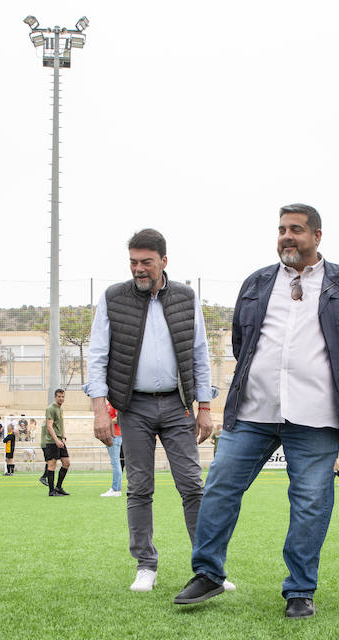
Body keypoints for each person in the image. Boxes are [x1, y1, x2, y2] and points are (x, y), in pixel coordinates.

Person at [175, 204, 339, 618]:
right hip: (254, 409)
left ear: (317, 236)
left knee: (309, 501)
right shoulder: (257, 283)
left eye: (297, 230)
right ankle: (208, 572)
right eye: (282, 229)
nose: (287, 236)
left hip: (316, 415)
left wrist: (331, 377)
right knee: (220, 486)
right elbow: (240, 341)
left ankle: (300, 589)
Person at [87, 228, 215, 590]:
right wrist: (100, 409)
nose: (139, 269)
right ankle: (146, 564)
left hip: (178, 407)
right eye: (133, 262)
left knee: (192, 486)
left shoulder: (187, 298)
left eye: (146, 262)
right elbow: (97, 355)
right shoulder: (113, 298)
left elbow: (199, 354)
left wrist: (204, 405)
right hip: (134, 407)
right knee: (139, 487)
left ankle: (207, 566)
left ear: (163, 261)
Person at [39, 388, 71, 496]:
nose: (61, 398)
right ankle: (51, 491)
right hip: (52, 441)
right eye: (59, 396)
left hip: (60, 440)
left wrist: (63, 436)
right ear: (55, 397)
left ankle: (58, 487)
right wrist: (56, 440)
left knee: (66, 463)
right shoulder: (50, 409)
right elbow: (49, 425)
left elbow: (61, 424)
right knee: (52, 464)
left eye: (63, 396)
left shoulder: (60, 409)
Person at [101, 403, 122, 498]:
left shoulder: (114, 404)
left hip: (115, 435)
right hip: (111, 435)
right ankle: (116, 488)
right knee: (115, 462)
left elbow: (118, 418)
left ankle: (116, 489)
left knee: (115, 462)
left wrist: (106, 423)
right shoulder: (109, 404)